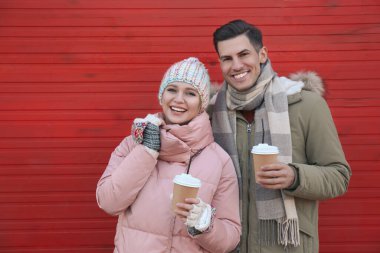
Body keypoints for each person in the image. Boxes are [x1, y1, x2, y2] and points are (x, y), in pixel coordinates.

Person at [209, 19, 351, 253]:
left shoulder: (306, 104)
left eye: (244, 54)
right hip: (228, 245)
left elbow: (339, 176)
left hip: (287, 246)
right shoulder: (213, 112)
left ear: (262, 54)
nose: (236, 65)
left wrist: (295, 176)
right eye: (227, 58)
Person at [96, 57, 241, 253]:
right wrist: (146, 151)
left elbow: (230, 238)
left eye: (190, 93)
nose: (178, 99)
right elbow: (108, 202)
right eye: (172, 90)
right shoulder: (132, 144)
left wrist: (204, 225)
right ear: (161, 96)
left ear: (201, 104)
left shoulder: (219, 161)